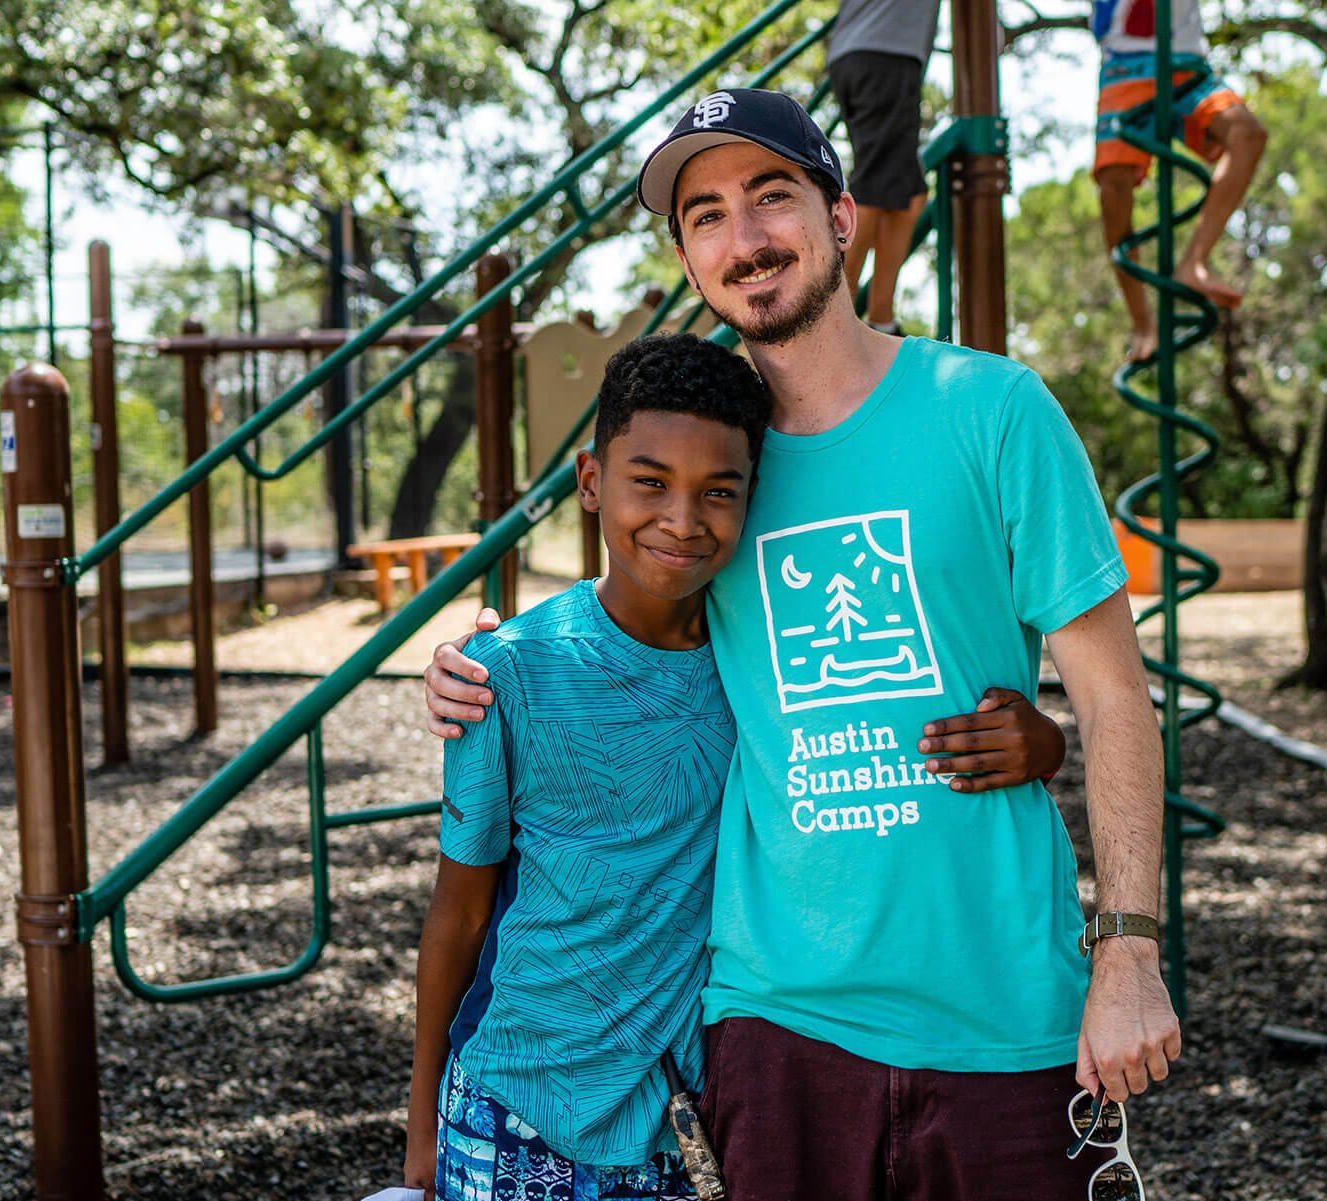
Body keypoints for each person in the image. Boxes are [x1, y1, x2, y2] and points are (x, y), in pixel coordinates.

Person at [426, 89, 1180, 1199]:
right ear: (688, 257)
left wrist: (1127, 951)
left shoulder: (992, 409)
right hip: (775, 1024)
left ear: (840, 217)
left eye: (771, 196)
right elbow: (616, 624)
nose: (746, 238)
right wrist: (471, 656)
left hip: (1004, 1012)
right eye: (707, 216)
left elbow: (1117, 698)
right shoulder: (711, 472)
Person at [404, 332, 1066, 1200]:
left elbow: (888, 728)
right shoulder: (508, 675)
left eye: (718, 492)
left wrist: (1044, 741)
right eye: (650, 482)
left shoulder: (761, 655)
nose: (683, 519)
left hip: (683, 1119)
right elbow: (458, 914)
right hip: (515, 1102)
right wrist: (419, 1132)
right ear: (591, 480)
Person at [1092, 0, 1266, 362]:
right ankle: (1143, 323)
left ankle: (1194, 262)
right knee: (1113, 190)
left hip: (1186, 65)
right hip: (1126, 62)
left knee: (1246, 133)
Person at [827, 0, 937, 335]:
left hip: (861, 51)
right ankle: (832, 322)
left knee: (912, 193)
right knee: (874, 190)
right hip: (886, 52)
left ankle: (882, 319)